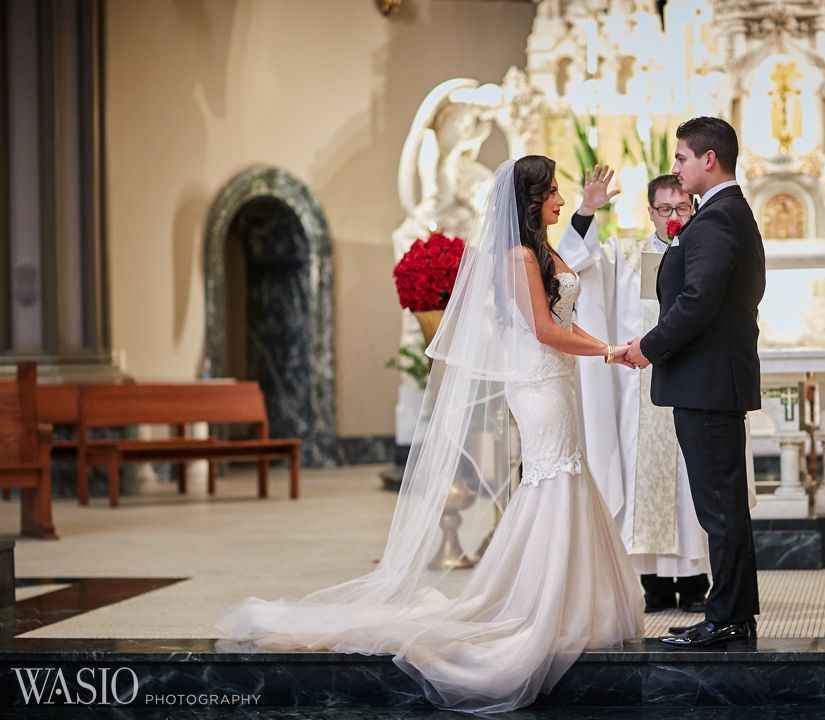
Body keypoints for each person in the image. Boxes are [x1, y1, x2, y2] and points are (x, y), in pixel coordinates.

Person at [217, 156, 643, 713]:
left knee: (564, 475)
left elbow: (563, 323)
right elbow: (543, 331)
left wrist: (612, 351)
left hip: (556, 381)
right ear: (531, 199)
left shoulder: (544, 251)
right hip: (539, 385)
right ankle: (531, 604)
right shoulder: (517, 257)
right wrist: (609, 350)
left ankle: (570, 604)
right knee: (553, 478)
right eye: (555, 194)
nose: (561, 201)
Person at [559, 172, 757, 615]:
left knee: (693, 485)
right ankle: (651, 580)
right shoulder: (625, 256)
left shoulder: (705, 251)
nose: (672, 217)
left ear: (694, 209)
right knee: (639, 473)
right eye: (664, 209)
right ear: (649, 212)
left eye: (681, 208)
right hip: (637, 388)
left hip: (693, 381)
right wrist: (587, 210)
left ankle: (693, 580)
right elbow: (578, 266)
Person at [626, 117, 766, 648]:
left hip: (706, 383)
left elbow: (699, 300)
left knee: (719, 507)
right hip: (712, 380)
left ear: (710, 159)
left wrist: (649, 346)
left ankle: (727, 618)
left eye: (682, 157)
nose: (677, 167)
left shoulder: (717, 220)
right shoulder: (726, 213)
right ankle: (734, 613)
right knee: (723, 504)